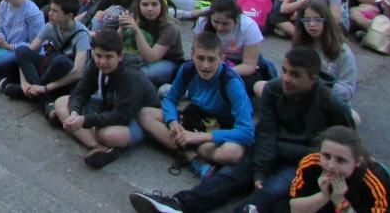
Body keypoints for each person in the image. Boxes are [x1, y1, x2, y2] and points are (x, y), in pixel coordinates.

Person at [130, 47, 354, 213]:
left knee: (271, 191)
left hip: (299, 159)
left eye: (295, 75)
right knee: (229, 176)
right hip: (269, 147)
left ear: (312, 80)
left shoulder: (330, 103)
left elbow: (344, 143)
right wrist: (260, 170)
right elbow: (266, 130)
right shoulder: (274, 90)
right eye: (284, 71)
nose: (286, 78)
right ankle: (177, 204)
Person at [139, 32, 254, 180]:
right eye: (200, 58)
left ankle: (184, 148)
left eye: (211, 59)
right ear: (192, 55)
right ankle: (193, 157)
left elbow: (247, 131)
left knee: (232, 153)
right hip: (195, 117)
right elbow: (170, 98)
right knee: (145, 114)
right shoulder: (187, 69)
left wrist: (199, 137)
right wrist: (172, 121)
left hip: (221, 126)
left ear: (222, 58)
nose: (205, 65)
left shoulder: (231, 83)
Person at [53, 29, 160, 170]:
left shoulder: (131, 76)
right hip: (108, 106)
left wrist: (85, 120)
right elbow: (80, 92)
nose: (102, 62)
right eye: (98, 56)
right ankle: (98, 147)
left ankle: (96, 139)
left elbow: (122, 116)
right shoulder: (95, 63)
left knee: (108, 134)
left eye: (109, 57)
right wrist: (74, 113)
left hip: (136, 118)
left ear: (120, 56)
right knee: (61, 103)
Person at [6, 0, 91, 122]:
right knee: (21, 50)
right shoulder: (51, 26)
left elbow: (78, 72)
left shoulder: (82, 35)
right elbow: (29, 51)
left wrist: (45, 88)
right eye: (50, 9)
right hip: (48, 70)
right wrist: (24, 83)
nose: (49, 13)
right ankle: (45, 101)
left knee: (61, 61)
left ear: (69, 15)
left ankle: (37, 94)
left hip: (67, 78)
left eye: (55, 11)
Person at [288, 126, 390, 213]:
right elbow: (294, 208)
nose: (331, 165)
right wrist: (324, 195)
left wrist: (340, 200)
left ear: (357, 162)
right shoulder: (310, 164)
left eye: (341, 160)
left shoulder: (374, 181)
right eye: (326, 156)